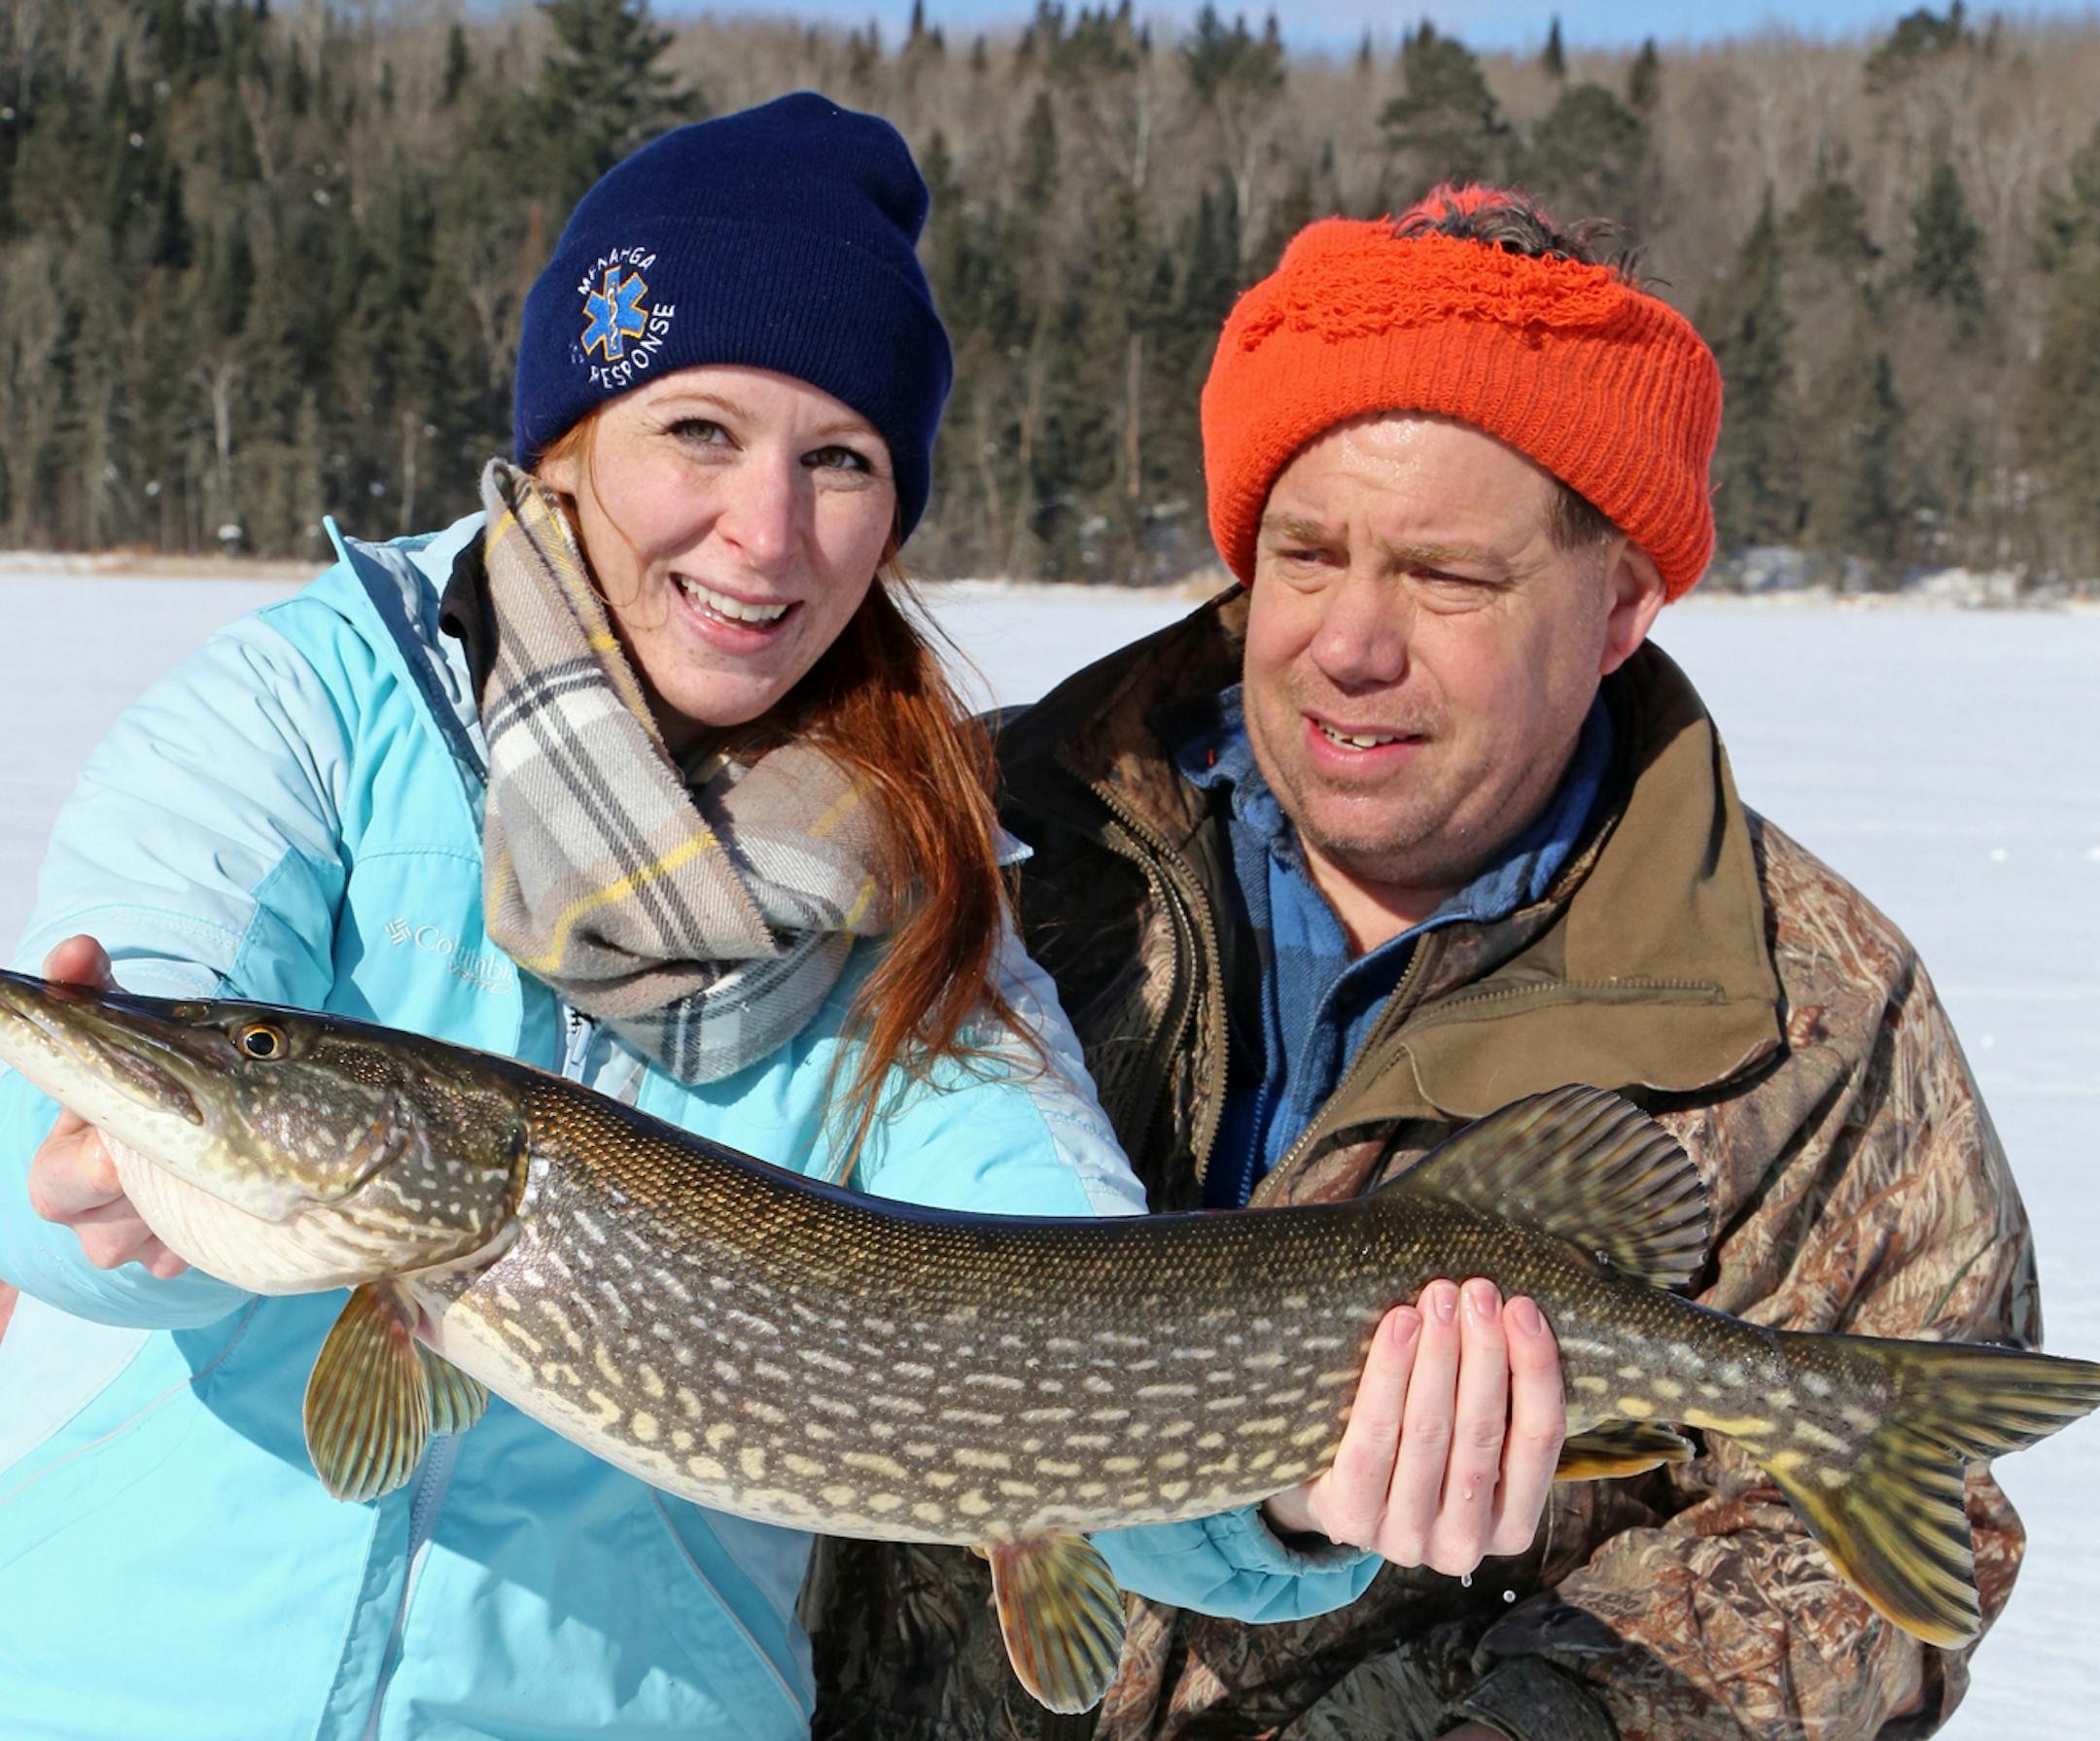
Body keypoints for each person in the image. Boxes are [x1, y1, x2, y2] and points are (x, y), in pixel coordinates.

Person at [0, 99, 1519, 1740]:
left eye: (841, 463)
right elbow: (135, 1026)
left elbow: (1086, 1323)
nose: (766, 534)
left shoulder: (925, 901)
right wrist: (93, 1173)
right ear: (576, 435)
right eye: (699, 433)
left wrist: (1291, 1509)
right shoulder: (304, 708)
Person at [806, 187, 2043, 1741]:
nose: (1350, 643)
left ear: (1620, 607)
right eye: (1304, 554)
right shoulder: (963, 848)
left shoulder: (1807, 1013)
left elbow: (1878, 1542)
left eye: (1449, 577)